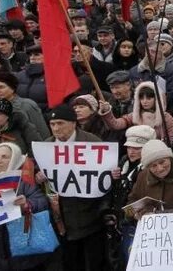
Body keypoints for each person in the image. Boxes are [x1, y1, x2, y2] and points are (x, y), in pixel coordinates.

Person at [40, 104, 110, 271]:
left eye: (60, 123)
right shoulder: (46, 146)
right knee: (70, 262)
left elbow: (104, 177)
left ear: (73, 123)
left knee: (95, 262)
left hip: (91, 215)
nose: (56, 128)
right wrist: (39, 177)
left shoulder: (92, 142)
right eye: (52, 124)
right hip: (62, 218)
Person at [0, 142, 52, 271]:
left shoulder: (23, 180)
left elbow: (41, 201)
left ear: (15, 159)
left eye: (5, 157)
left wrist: (26, 204)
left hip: (21, 244)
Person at [98, 81, 173, 143]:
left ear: (157, 99)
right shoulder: (134, 116)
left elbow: (172, 139)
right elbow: (115, 125)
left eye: (149, 98)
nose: (144, 102)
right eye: (142, 98)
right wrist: (107, 111)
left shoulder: (166, 117)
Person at [128, 139, 173, 211]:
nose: (160, 169)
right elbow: (132, 201)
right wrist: (137, 213)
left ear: (169, 158)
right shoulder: (142, 176)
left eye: (162, 162)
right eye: (153, 166)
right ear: (148, 167)